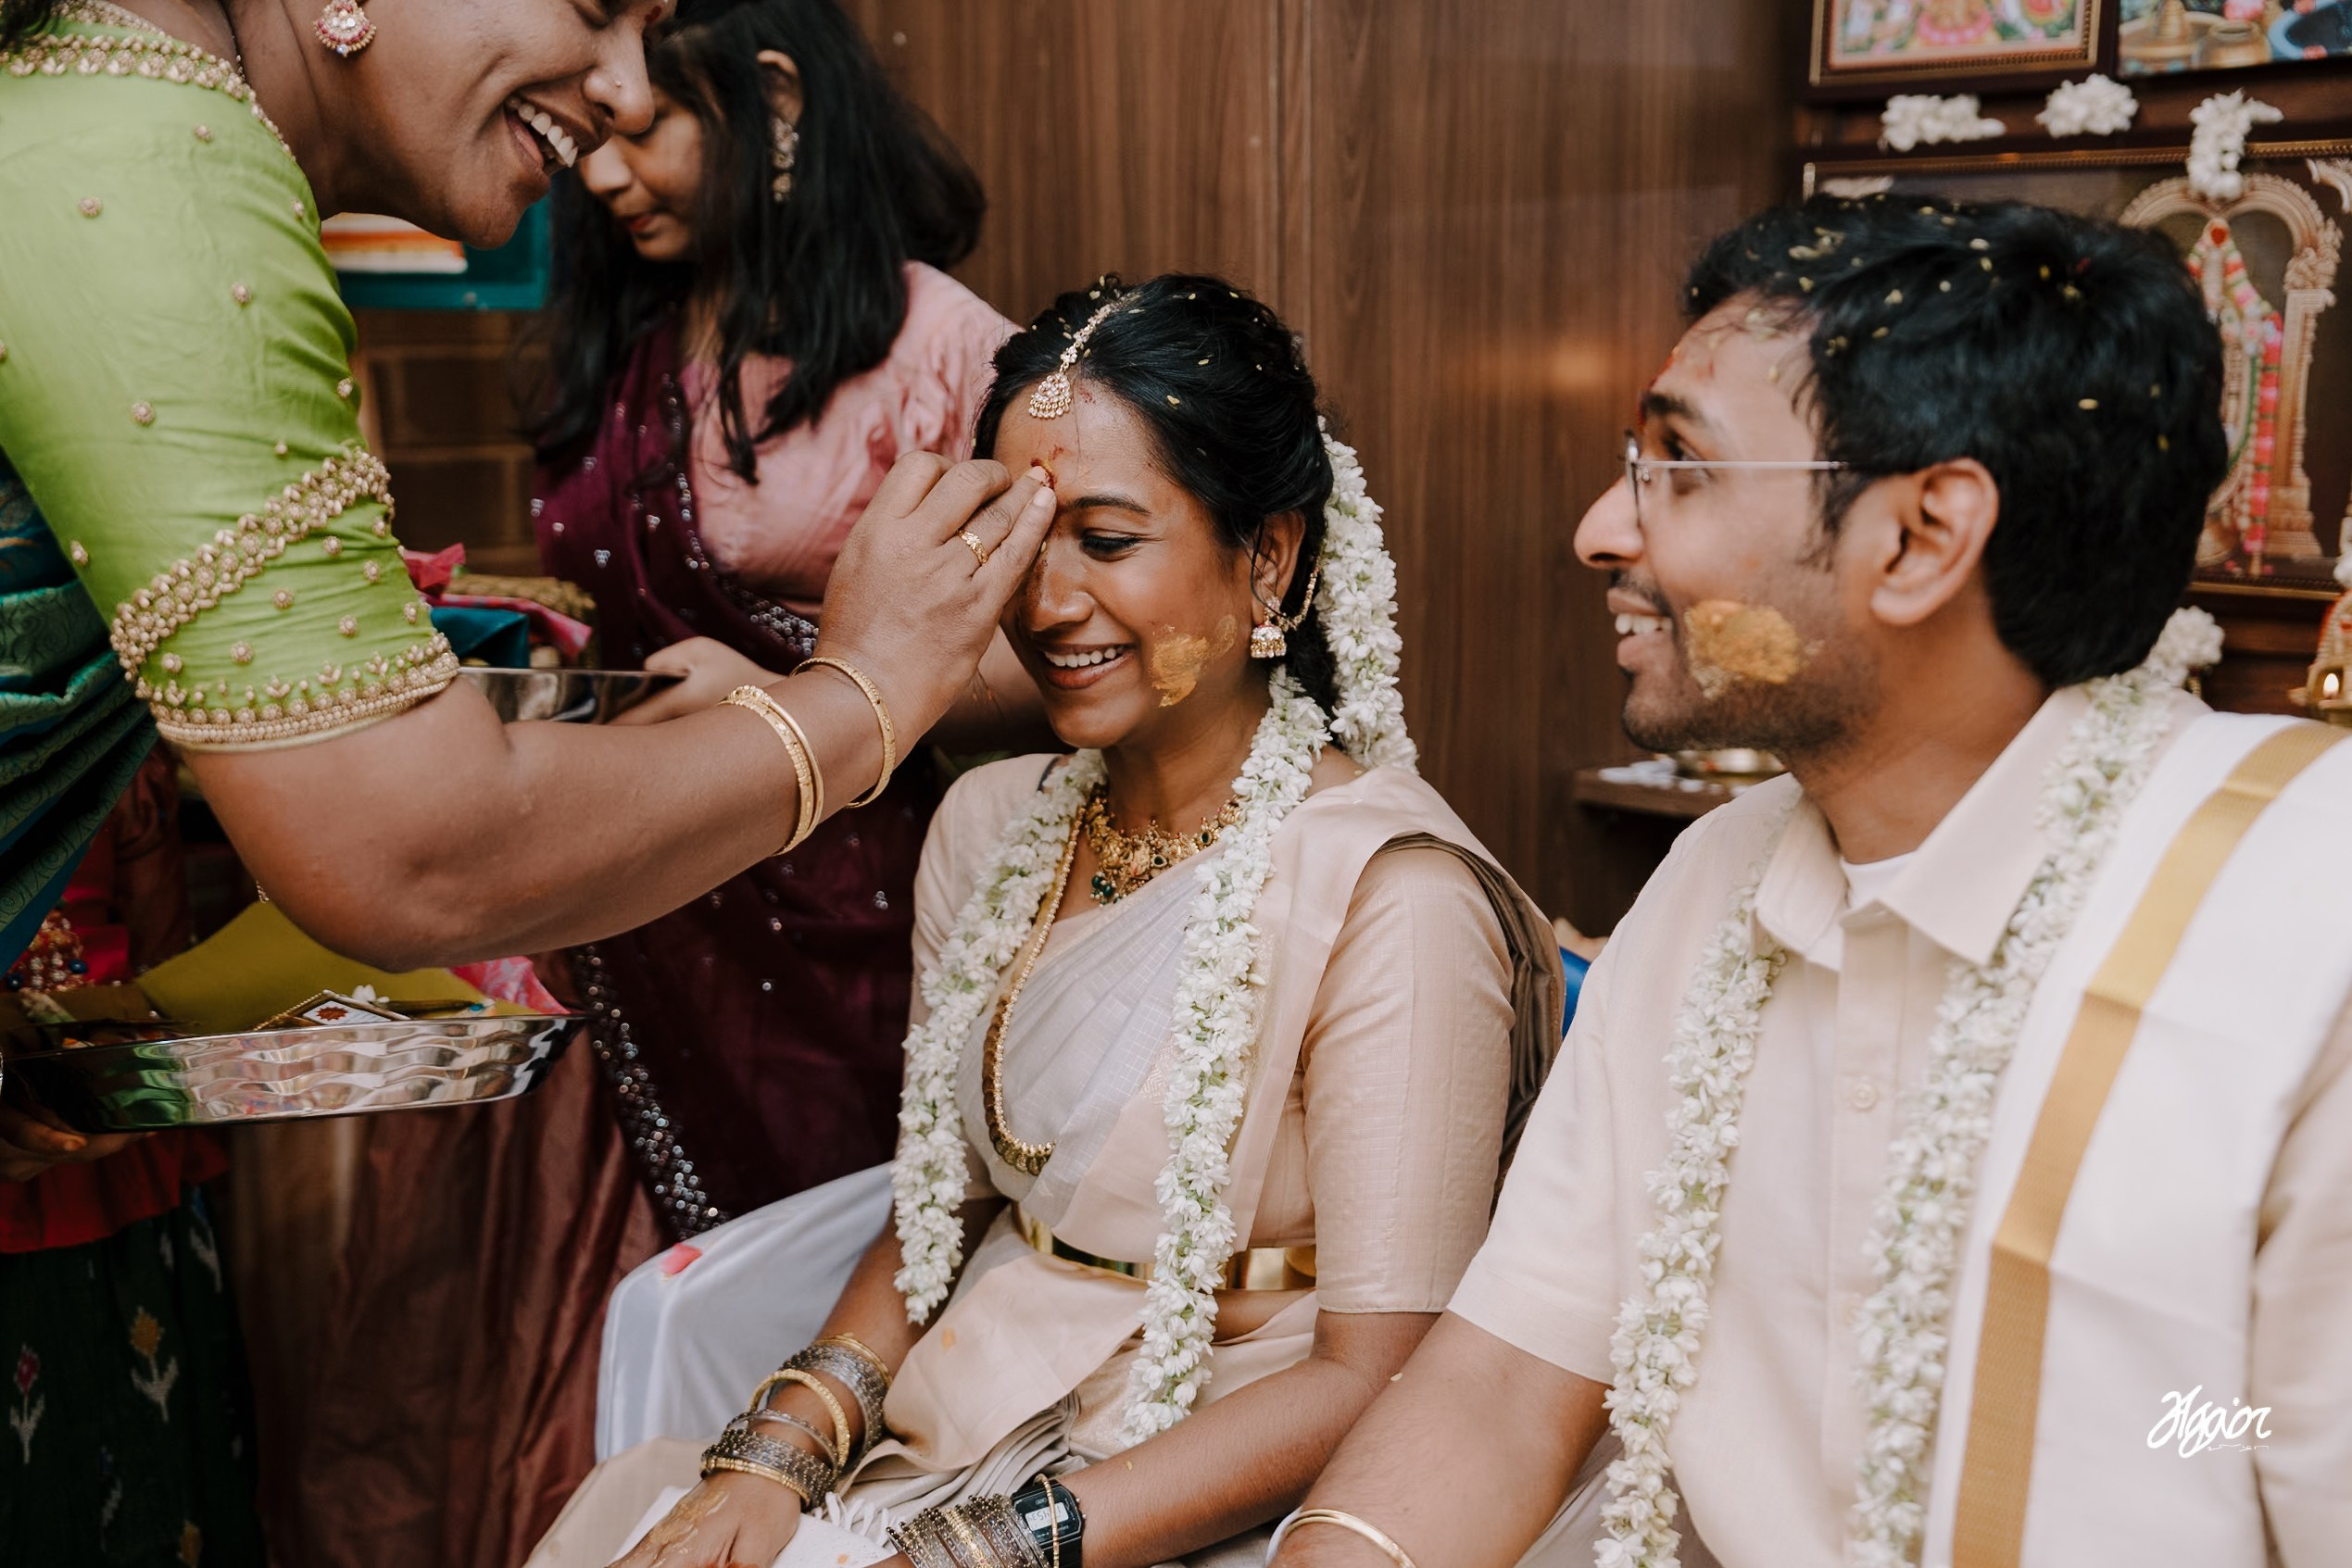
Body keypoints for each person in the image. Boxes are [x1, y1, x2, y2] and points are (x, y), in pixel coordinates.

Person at [1275, 194, 2352, 1568]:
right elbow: (1498, 1384)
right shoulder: (1714, 878)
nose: (1601, 529)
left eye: (1677, 465)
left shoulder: (2299, 922)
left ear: (1916, 539)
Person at [527, 275, 1566, 1568]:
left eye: (1108, 539)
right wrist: (777, 1453)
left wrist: (993, 1549)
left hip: (1228, 1486)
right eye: (1024, 541)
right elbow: (935, 1210)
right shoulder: (991, 824)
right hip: (963, 1428)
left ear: (1270, 559)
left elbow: (1381, 1377)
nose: (1048, 601)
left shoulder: (1392, 899)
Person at [0, 0, 1052, 994]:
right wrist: (854, 693)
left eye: (651, 36)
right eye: (595, 7)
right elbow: (405, 845)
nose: (629, 101)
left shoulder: (101, 110)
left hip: (809, 918)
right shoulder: (154, 164)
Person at [535, 0, 1030, 1232]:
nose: (598, 174)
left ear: (778, 100)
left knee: (803, 1275)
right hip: (626, 892)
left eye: (639, 130)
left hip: (831, 926)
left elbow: (1064, 655)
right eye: (583, 134)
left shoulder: (937, 347)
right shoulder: (635, 328)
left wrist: (795, 681)